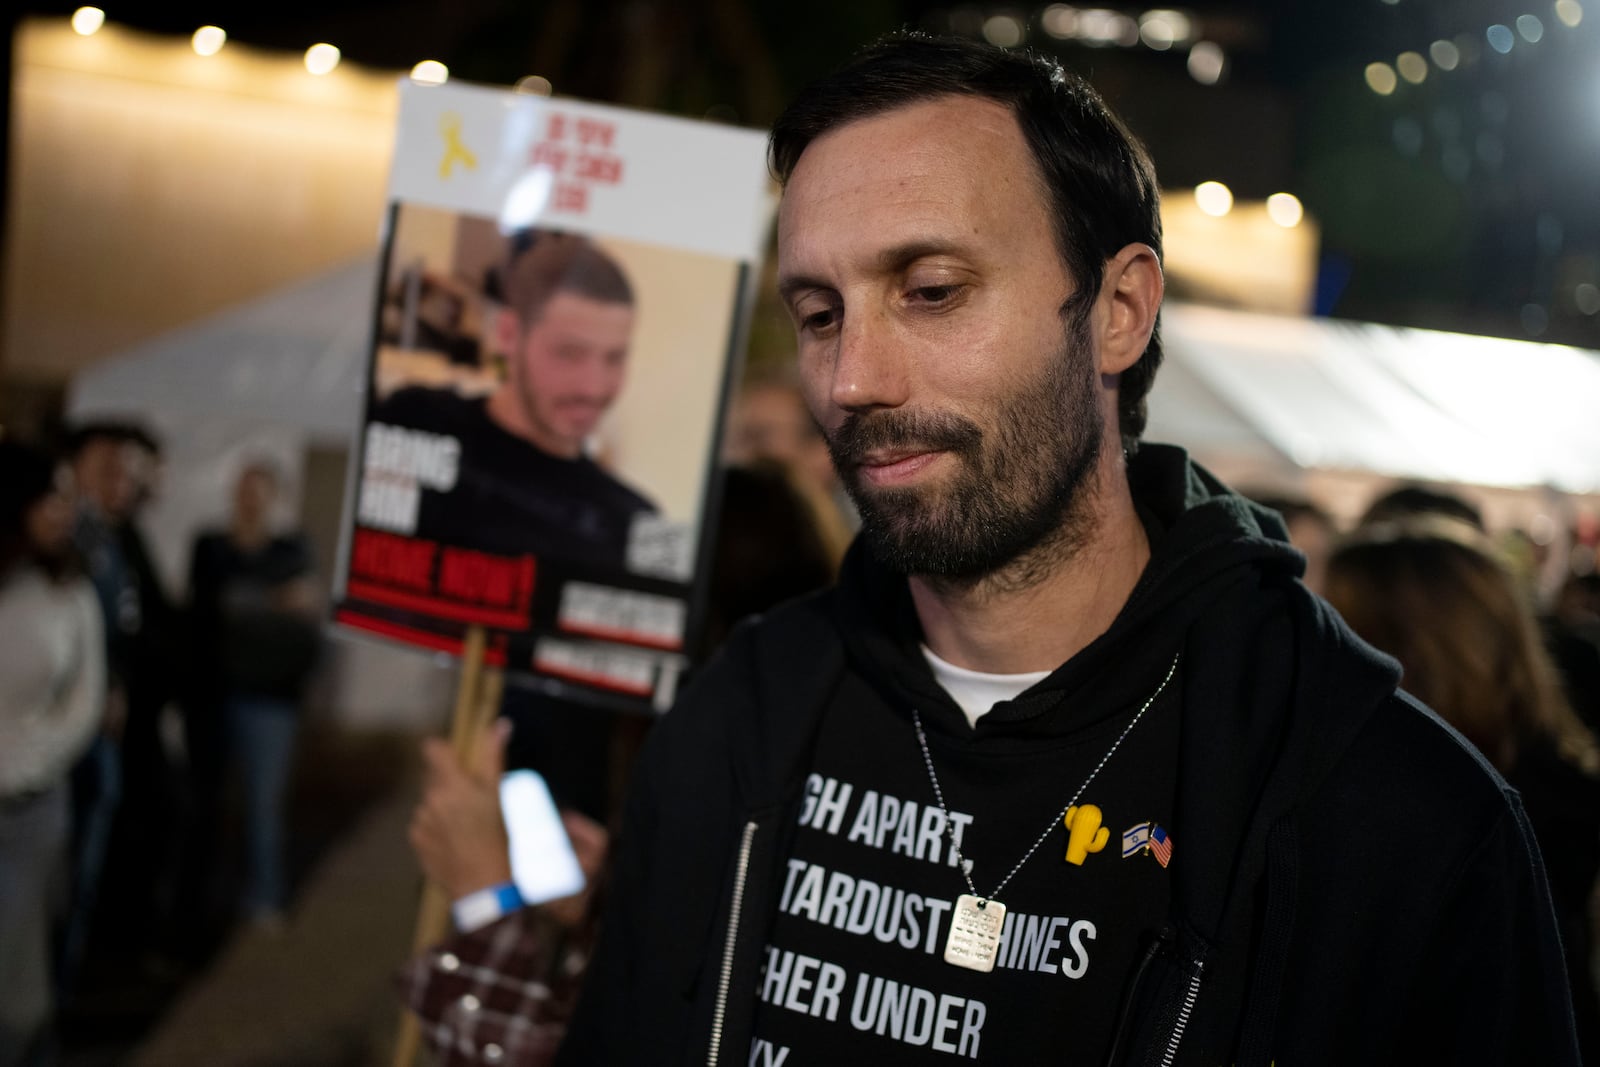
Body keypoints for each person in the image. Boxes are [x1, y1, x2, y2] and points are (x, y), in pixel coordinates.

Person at [557, 34, 1578, 1066]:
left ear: (1118, 311)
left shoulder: (1393, 823)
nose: (850, 378)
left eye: (932, 290)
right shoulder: (742, 712)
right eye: (820, 313)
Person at [1324, 517, 1600, 1064]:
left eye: (1335, 623)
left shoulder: (1453, 819)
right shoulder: (1562, 785)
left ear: (1401, 647)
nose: (1314, 650)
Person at [370, 232, 656, 569]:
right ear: (509, 334)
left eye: (614, 358)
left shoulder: (644, 526)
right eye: (570, 353)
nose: (593, 388)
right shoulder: (414, 419)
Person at [0, 441, 105, 1067]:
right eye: (53, 496)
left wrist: (30, 764)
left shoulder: (71, 592)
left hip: (31, 810)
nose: (66, 511)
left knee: (18, 968)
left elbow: (84, 703)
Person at [188, 461, 320, 925]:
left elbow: (303, 610)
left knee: (264, 805)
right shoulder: (211, 548)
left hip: (271, 699)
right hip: (215, 694)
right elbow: (210, 605)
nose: (251, 500)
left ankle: (263, 896)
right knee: (205, 802)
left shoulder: (291, 550)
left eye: (260, 491)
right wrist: (270, 599)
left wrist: (247, 601)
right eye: (244, 490)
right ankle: (198, 900)